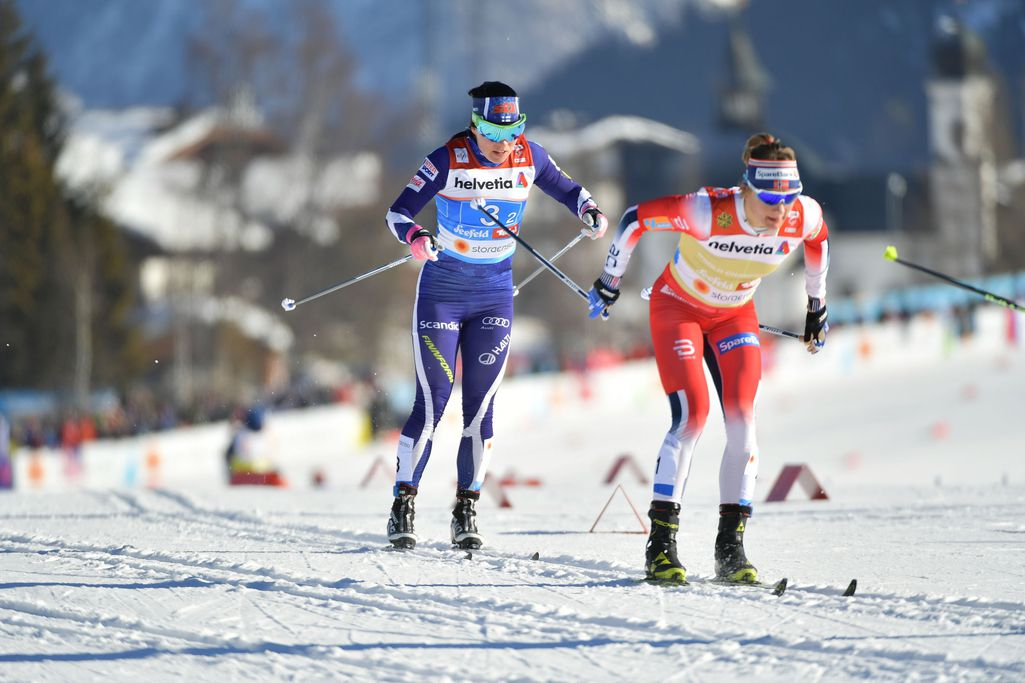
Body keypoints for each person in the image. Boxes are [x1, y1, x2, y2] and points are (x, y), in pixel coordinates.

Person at [586, 133, 829, 584]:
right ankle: (661, 544)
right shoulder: (707, 212)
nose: (780, 211)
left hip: (734, 315)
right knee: (692, 416)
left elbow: (820, 240)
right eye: (770, 199)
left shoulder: (801, 215)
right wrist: (609, 279)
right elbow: (635, 219)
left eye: (788, 198)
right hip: (677, 307)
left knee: (743, 424)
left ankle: (730, 548)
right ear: (747, 189)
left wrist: (816, 306)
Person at [383, 81, 608, 550]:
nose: (504, 144)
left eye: (513, 132)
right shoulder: (447, 159)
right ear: (475, 126)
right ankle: (404, 503)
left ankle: (465, 509)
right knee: (433, 403)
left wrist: (589, 210)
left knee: (481, 408)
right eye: (494, 134)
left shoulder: (530, 155)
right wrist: (417, 238)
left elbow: (569, 190)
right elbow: (398, 212)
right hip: (443, 295)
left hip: (494, 297)